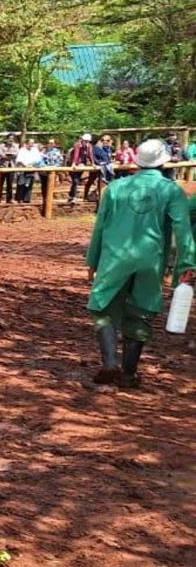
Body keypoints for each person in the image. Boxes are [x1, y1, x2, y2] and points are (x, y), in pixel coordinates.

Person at [86, 139, 195, 386]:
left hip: (114, 257)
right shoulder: (171, 190)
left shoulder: (115, 188)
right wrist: (187, 264)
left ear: (137, 161)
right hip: (151, 259)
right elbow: (182, 229)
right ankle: (128, 374)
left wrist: (92, 261)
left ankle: (110, 363)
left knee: (103, 308)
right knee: (140, 312)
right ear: (163, 162)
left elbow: (100, 226)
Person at [67, 133, 96, 203]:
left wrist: (93, 163)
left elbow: (90, 154)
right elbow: (76, 155)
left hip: (82, 164)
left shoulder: (89, 146)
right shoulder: (77, 145)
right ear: (82, 140)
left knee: (76, 181)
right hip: (72, 164)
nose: (86, 142)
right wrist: (74, 164)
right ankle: (73, 197)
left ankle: (71, 196)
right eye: (85, 141)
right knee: (75, 181)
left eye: (88, 141)